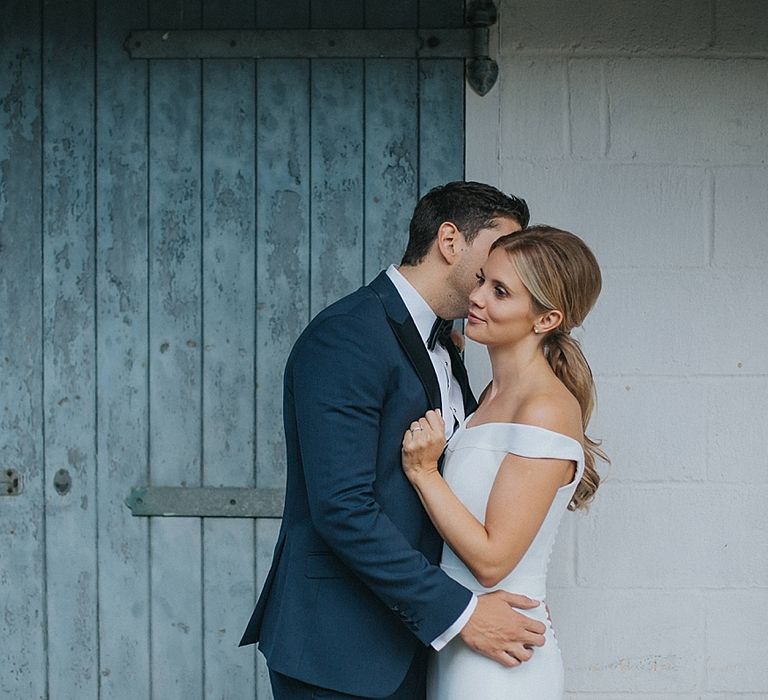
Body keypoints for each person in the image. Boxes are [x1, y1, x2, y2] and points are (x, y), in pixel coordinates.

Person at [239, 182, 546, 699]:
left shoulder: (448, 344)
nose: (505, 270)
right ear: (450, 241)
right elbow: (343, 506)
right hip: (339, 650)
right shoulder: (348, 335)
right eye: (497, 252)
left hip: (415, 645)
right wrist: (461, 612)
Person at [400, 226, 607, 699]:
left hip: (503, 660)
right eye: (481, 281)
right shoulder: (491, 394)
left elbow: (493, 561)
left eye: (500, 292)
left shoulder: (545, 408)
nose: (476, 298)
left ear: (545, 319)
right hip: (462, 641)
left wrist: (423, 472)